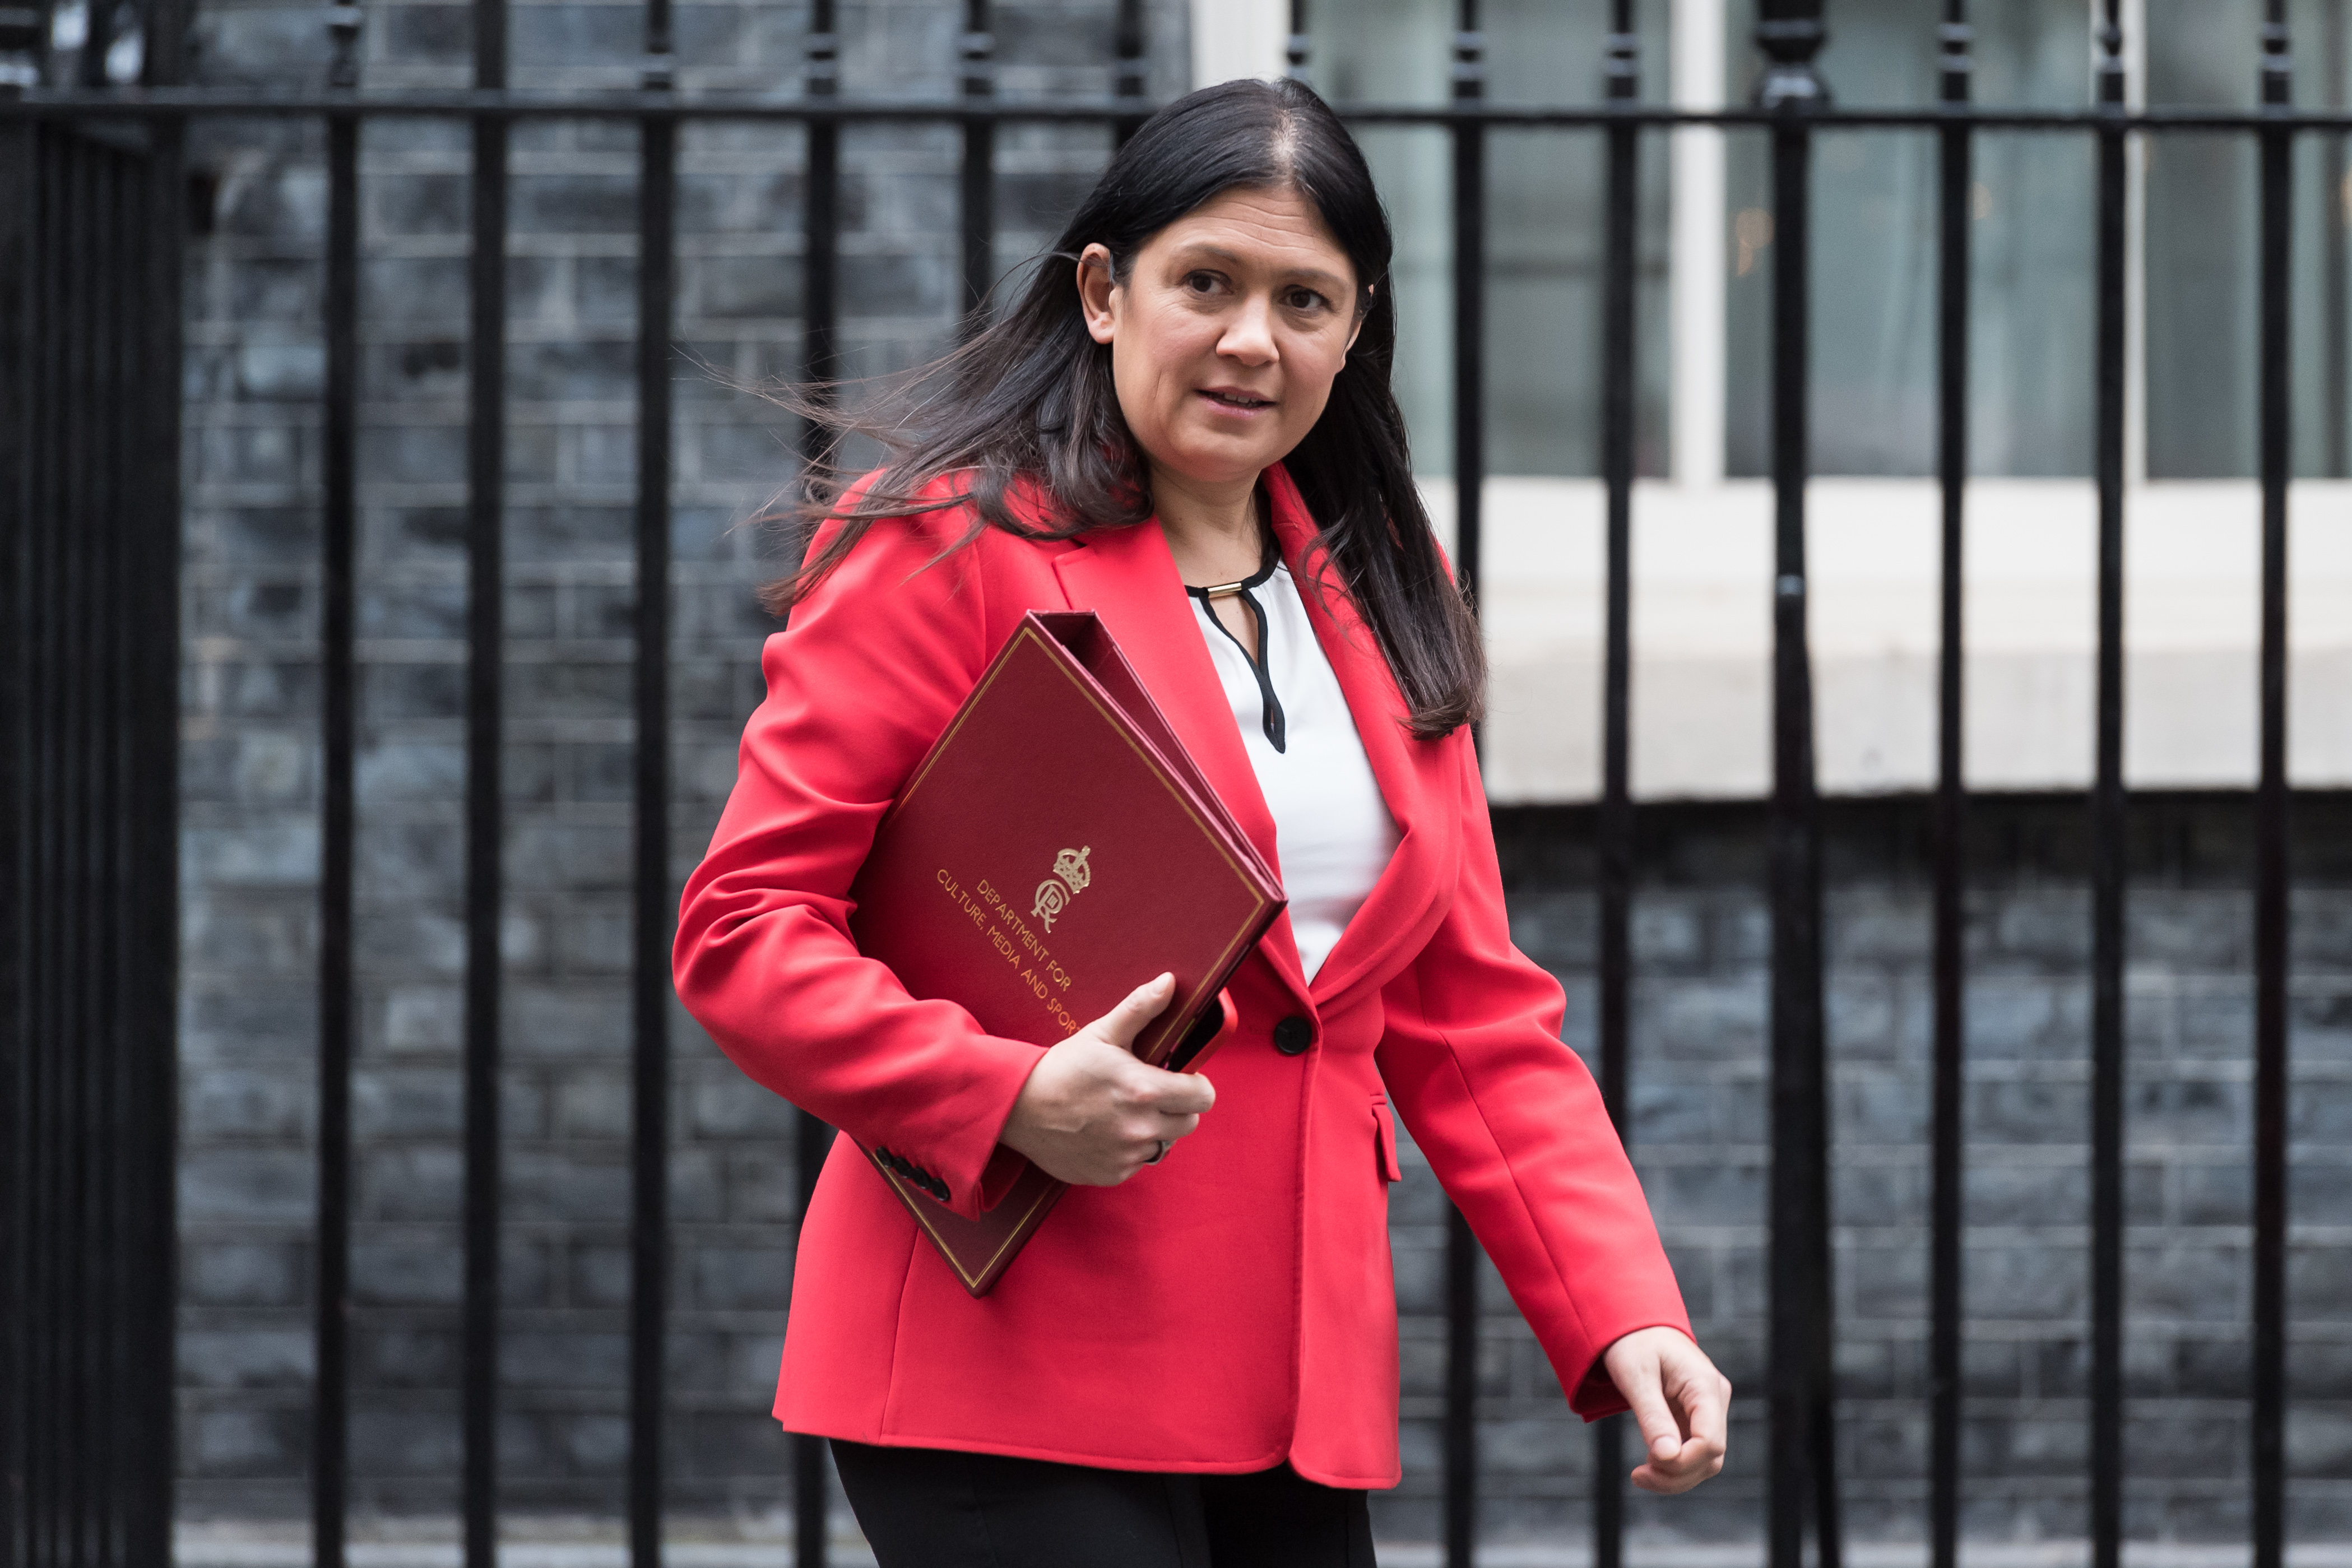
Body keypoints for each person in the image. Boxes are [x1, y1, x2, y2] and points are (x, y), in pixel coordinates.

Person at [672, 76, 1729, 1568]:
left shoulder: (1386, 583)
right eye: (1208, 284)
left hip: (1293, 1385)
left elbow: (1468, 1010)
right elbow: (742, 931)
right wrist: (1003, 1095)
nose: (1252, 340)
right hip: (1002, 1363)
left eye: (1305, 301)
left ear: (1355, 330)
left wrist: (1622, 1306)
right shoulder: (947, 543)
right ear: (1105, 293)